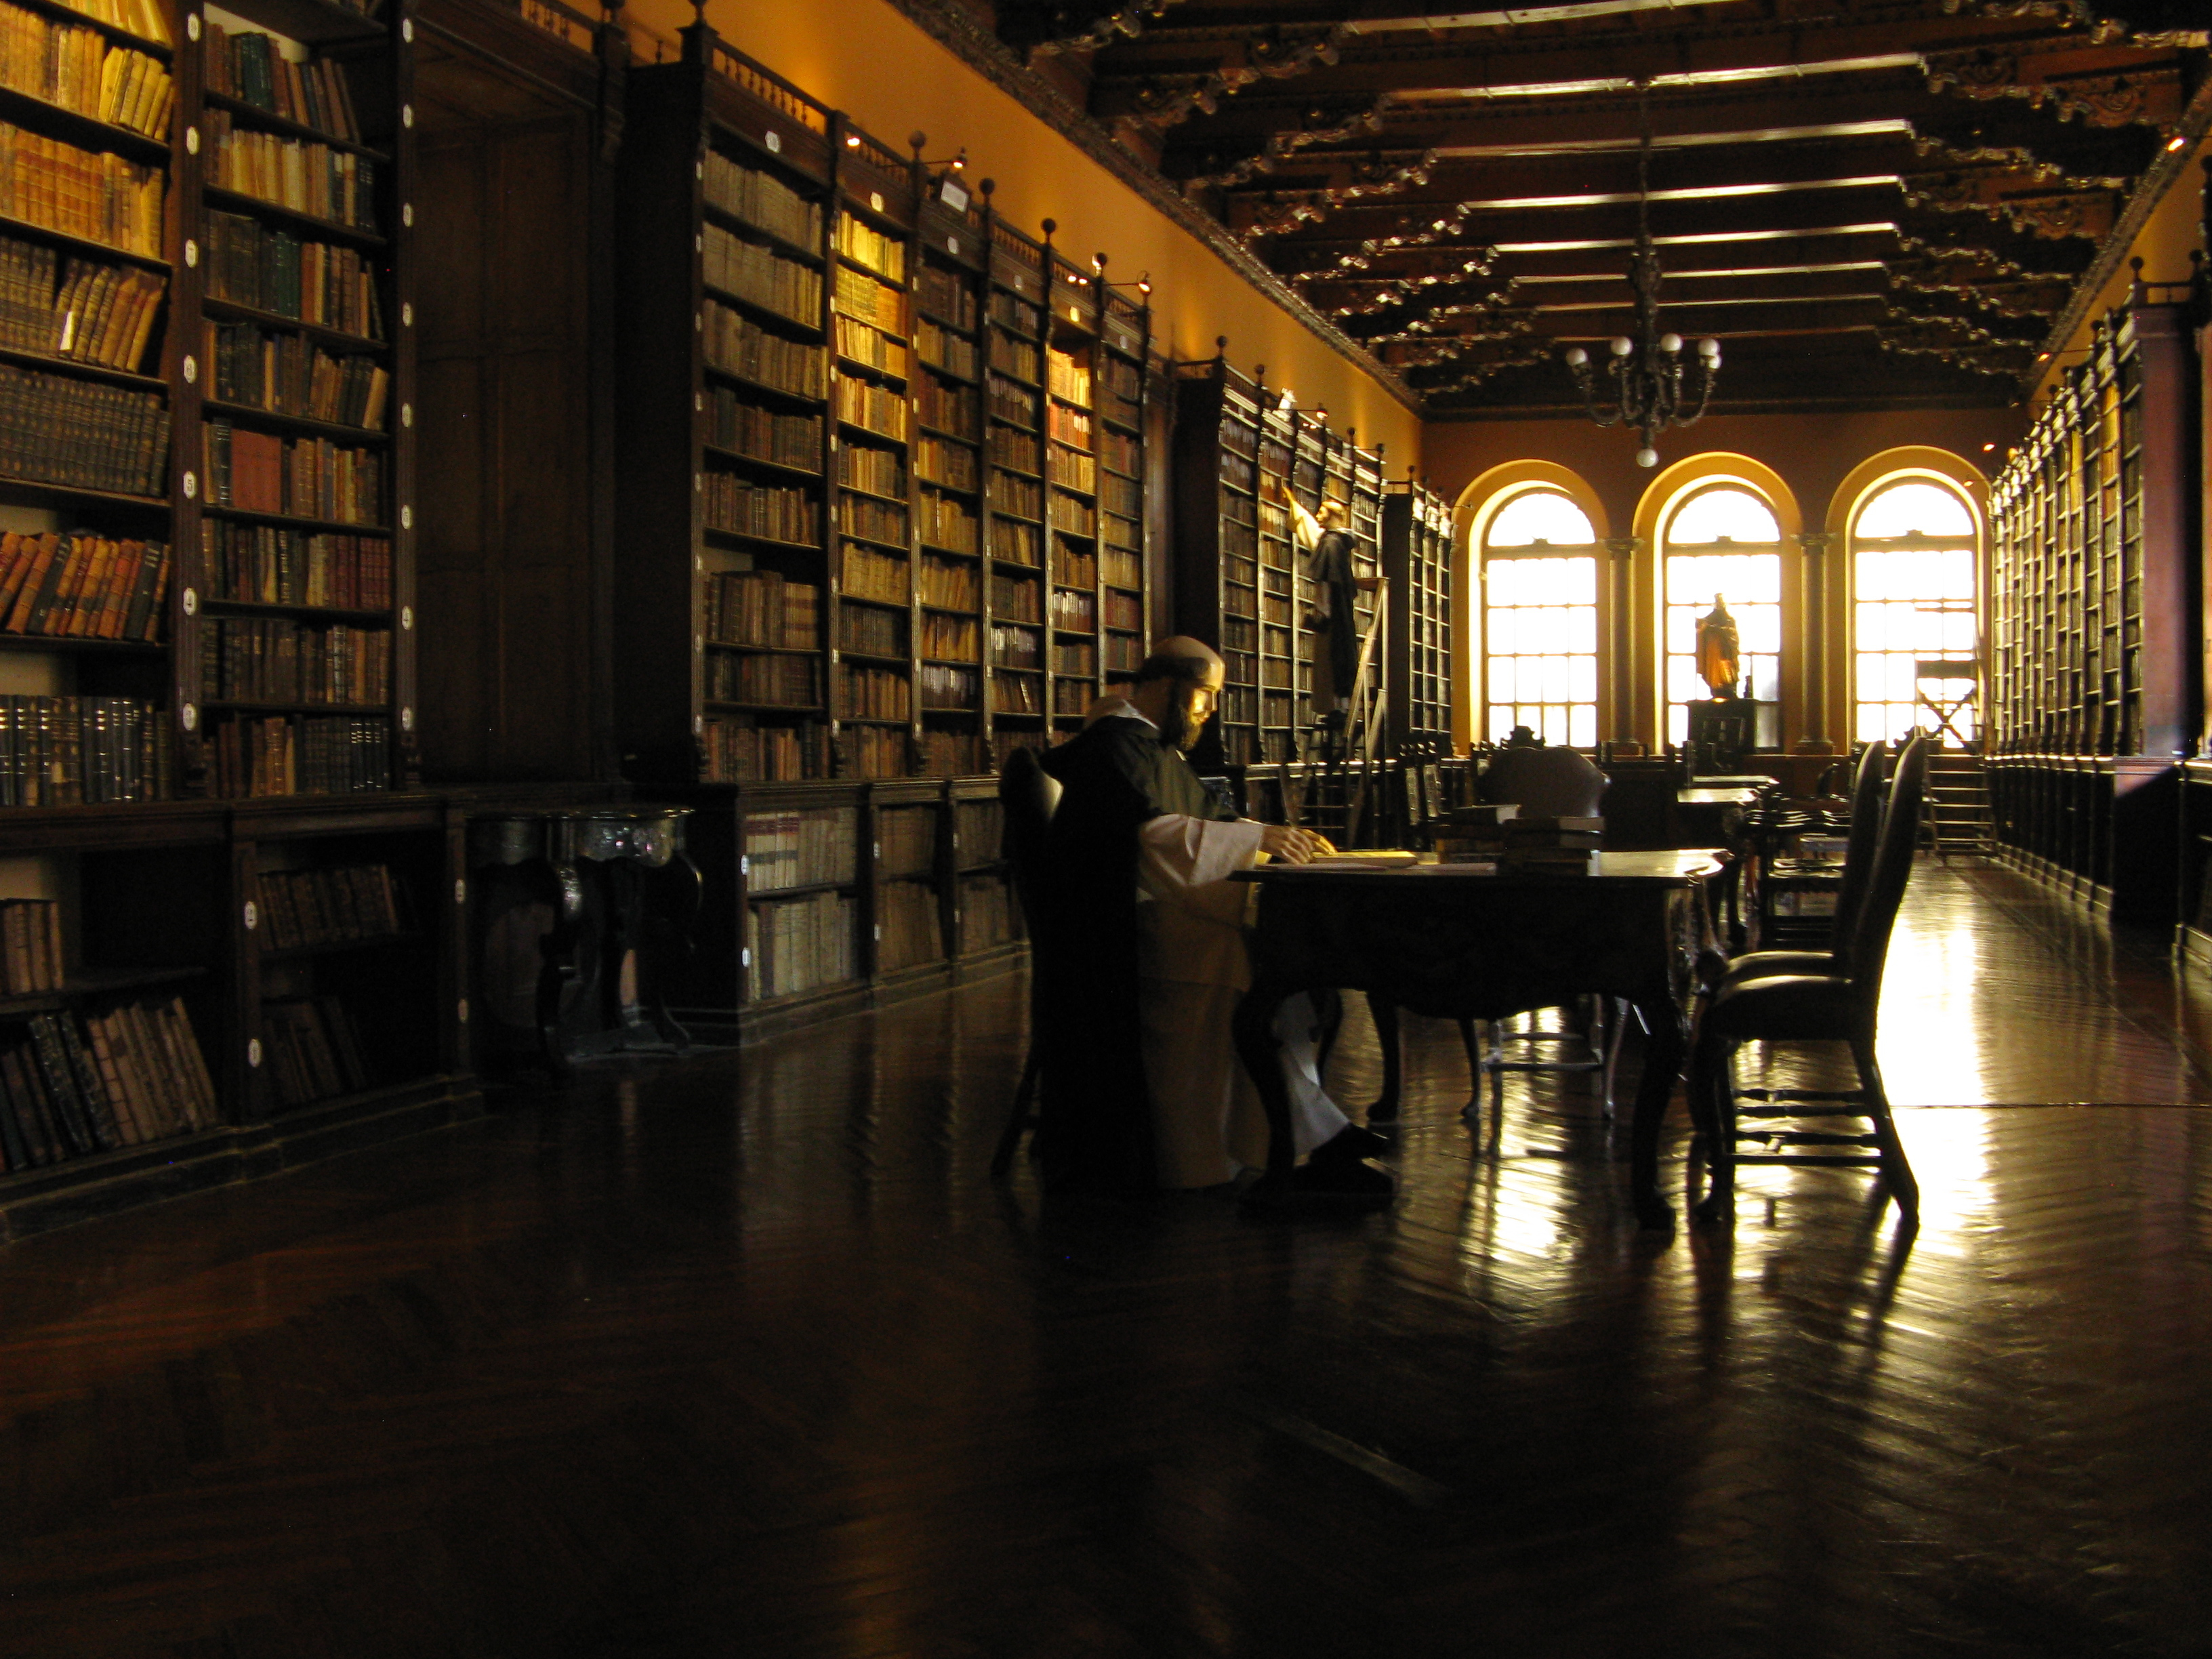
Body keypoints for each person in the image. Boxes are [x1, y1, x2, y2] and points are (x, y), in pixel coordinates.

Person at [1035, 637, 1391, 1198]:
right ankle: (1274, 1146)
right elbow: (1154, 840)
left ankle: (1297, 1137)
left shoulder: (1152, 748)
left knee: (1273, 959)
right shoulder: (1115, 748)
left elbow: (1203, 819)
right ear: (1162, 684)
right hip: (1119, 935)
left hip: (1155, 916)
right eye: (1204, 693)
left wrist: (1267, 840)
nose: (1209, 708)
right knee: (1254, 958)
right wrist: (1259, 839)